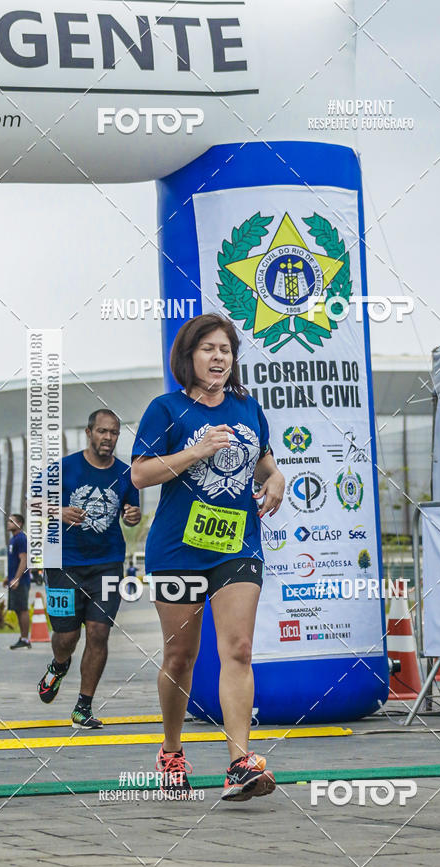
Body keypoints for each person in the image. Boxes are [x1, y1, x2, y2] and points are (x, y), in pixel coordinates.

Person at [131, 313, 285, 802]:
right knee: (181, 655)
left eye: (225, 349)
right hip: (178, 549)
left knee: (237, 648)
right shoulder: (166, 409)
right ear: (188, 356)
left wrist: (276, 478)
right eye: (208, 349)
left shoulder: (246, 406)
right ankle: (172, 751)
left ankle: (240, 762)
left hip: (238, 545)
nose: (219, 357)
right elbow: (139, 475)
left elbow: (263, 459)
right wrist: (194, 453)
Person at [37, 409, 141, 728]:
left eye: (113, 433)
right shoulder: (65, 468)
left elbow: (131, 511)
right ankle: (58, 664)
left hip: (107, 565)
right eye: (102, 432)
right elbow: (33, 501)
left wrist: (131, 516)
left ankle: (83, 707)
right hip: (63, 564)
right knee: (66, 636)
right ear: (89, 432)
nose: (107, 438)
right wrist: (59, 511)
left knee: (99, 632)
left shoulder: (126, 474)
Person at [3, 514, 31, 649]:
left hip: (21, 581)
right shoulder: (13, 539)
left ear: (19, 523)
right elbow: (14, 561)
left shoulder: (21, 539)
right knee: (18, 610)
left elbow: (24, 560)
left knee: (23, 609)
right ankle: (22, 637)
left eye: (11, 521)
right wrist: (8, 578)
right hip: (14, 579)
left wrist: (17, 579)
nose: (8, 523)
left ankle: (25, 639)